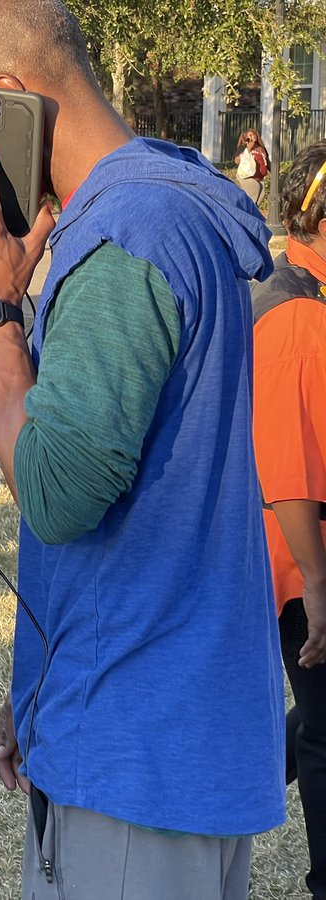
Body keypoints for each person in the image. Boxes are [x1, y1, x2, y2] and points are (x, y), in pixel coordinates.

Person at [0, 2, 283, 896]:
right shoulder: (164, 202)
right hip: (160, 730)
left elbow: (55, 492)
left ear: (7, 98)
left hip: (136, 754)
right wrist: (43, 684)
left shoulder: (129, 237)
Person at [250, 140, 326, 900]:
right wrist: (318, 584)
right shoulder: (297, 314)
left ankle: (240, 779)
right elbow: (289, 471)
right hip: (307, 568)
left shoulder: (310, 292)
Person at [236, 128, 271, 206]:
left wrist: (274, 172)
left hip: (260, 178)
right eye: (250, 135)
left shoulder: (261, 149)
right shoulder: (243, 147)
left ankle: (253, 212)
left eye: (254, 134)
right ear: (245, 137)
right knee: (254, 193)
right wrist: (248, 148)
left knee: (260, 197)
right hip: (247, 177)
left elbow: (267, 162)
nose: (253, 136)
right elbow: (237, 161)